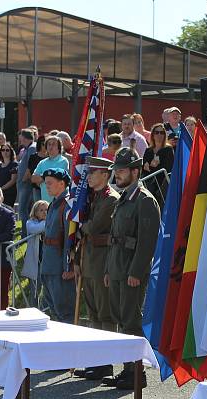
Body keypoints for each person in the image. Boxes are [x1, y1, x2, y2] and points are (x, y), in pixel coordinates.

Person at [102, 148, 160, 390]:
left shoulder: (145, 200)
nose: (118, 174)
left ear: (135, 171)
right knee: (120, 319)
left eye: (123, 170)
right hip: (116, 267)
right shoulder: (124, 198)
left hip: (131, 271)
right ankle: (127, 370)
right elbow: (114, 237)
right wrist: (108, 268)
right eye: (116, 170)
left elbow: (147, 242)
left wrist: (136, 272)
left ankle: (136, 373)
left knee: (131, 322)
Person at [73, 156, 120, 381]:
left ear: (105, 175)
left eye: (93, 173)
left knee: (105, 314)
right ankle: (96, 361)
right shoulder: (92, 198)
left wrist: (82, 226)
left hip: (103, 261)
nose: (89, 177)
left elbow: (94, 226)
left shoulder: (110, 199)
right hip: (90, 258)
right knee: (93, 313)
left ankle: (106, 362)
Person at [39, 169, 75, 323]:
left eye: (50, 182)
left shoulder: (67, 205)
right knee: (53, 310)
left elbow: (70, 239)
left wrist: (68, 267)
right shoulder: (54, 203)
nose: (46, 186)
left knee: (64, 312)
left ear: (62, 183)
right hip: (49, 264)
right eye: (45, 182)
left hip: (60, 267)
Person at [142, 123, 174, 209]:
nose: (159, 135)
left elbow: (168, 168)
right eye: (157, 132)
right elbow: (144, 169)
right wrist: (149, 167)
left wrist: (152, 167)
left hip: (162, 184)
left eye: (162, 132)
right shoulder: (148, 150)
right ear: (152, 135)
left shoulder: (168, 149)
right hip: (149, 183)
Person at [22, 200, 48, 308]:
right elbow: (36, 229)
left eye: (46, 210)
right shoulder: (30, 222)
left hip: (47, 260)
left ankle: (46, 310)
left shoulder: (50, 222)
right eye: (41, 210)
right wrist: (48, 222)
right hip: (35, 260)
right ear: (35, 212)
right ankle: (33, 309)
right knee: (35, 289)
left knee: (47, 288)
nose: (44, 212)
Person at [33, 135, 69, 202]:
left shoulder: (64, 161)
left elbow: (59, 178)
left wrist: (42, 178)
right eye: (49, 144)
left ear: (59, 148)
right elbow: (33, 178)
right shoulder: (42, 162)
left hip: (59, 201)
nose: (51, 146)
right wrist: (45, 177)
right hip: (45, 201)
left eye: (53, 144)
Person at [16, 128, 37, 230]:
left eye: (20, 136)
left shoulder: (32, 148)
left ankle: (25, 233)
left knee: (22, 209)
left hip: (26, 185)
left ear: (23, 137)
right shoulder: (28, 148)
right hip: (23, 184)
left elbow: (30, 165)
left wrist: (24, 178)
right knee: (24, 210)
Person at [0, 143, 18, 208]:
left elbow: (13, 180)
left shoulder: (14, 164)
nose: (5, 152)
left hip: (9, 193)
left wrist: (1, 189)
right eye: (3, 150)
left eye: (7, 150)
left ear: (11, 151)